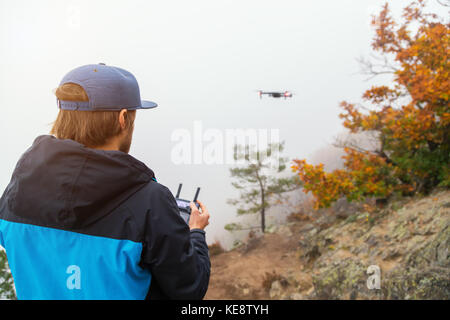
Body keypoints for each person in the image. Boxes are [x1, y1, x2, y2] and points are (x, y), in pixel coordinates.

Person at [0, 63, 211, 300]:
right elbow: (189, 289)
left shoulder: (16, 193)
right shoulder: (150, 201)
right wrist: (196, 233)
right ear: (123, 119)